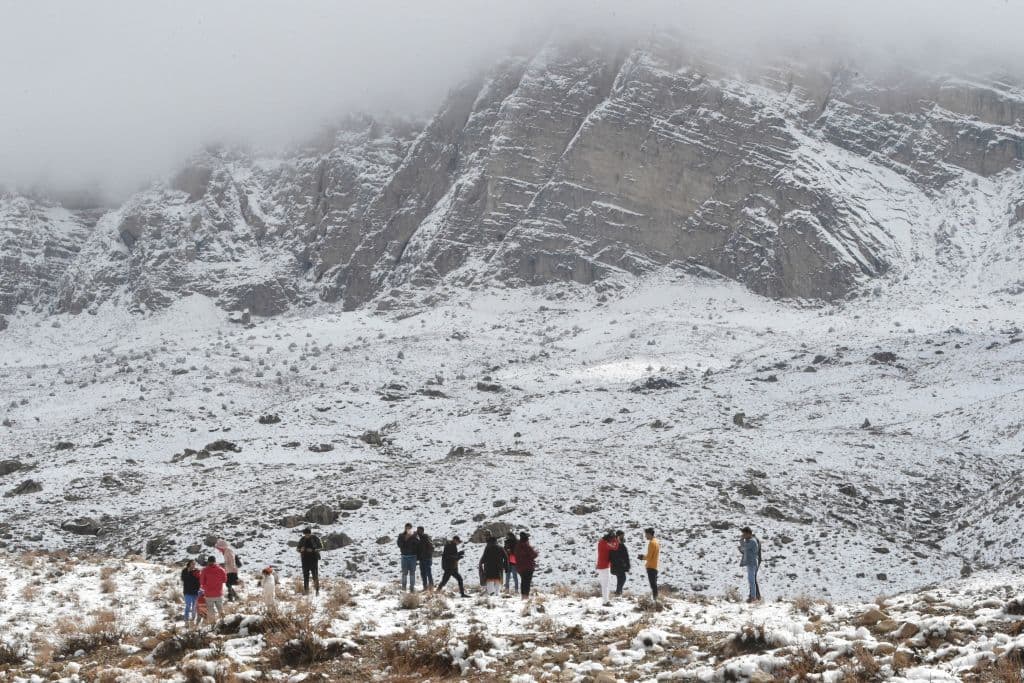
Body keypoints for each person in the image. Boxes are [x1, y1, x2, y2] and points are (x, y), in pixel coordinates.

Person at [199, 555, 227, 622]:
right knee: (220, 608)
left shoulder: (204, 570)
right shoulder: (221, 570)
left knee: (211, 610)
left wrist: (205, 586)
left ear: (208, 562)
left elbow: (201, 582)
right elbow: (224, 580)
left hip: (208, 594)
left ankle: (213, 624)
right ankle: (223, 622)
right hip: (218, 593)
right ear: (215, 561)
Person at [297, 527, 323, 596]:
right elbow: (297, 549)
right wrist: (301, 550)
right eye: (305, 535)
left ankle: (317, 591)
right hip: (304, 560)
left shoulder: (315, 538)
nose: (306, 536)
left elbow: (321, 547)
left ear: (310, 533)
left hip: (314, 560)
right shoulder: (302, 539)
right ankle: (306, 591)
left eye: (308, 534)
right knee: (305, 576)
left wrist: (313, 550)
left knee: (315, 576)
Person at [596, 531, 619, 605]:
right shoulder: (605, 544)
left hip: (601, 566)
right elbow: (615, 547)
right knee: (606, 584)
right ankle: (606, 602)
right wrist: (616, 540)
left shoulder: (601, 542)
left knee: (604, 584)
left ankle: (605, 600)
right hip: (604, 567)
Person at [739, 526, 762, 603]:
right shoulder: (750, 541)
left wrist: (741, 540)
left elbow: (744, 547)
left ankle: (753, 597)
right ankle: (753, 597)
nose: (743, 536)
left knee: (752, 581)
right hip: (750, 563)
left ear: (749, 533)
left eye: (744, 534)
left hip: (752, 563)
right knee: (751, 581)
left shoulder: (752, 541)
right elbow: (744, 549)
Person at [397, 523, 421, 592]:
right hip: (404, 557)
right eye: (407, 528)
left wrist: (414, 537)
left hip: (413, 557)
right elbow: (399, 545)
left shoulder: (414, 536)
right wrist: (406, 539)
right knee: (404, 573)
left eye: (409, 528)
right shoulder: (401, 536)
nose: (408, 529)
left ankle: (412, 588)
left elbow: (418, 545)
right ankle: (404, 587)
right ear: (405, 528)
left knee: (412, 573)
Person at [514, 532, 538, 599]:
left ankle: (523, 596)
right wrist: (536, 552)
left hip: (520, 567)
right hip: (528, 567)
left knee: (523, 582)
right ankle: (526, 596)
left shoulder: (517, 547)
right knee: (527, 582)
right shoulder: (527, 546)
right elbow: (533, 554)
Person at [638, 527, 660, 601]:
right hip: (655, 566)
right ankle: (656, 599)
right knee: (654, 585)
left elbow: (649, 557)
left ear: (649, 534)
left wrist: (642, 557)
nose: (645, 536)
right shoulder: (656, 541)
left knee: (653, 585)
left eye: (646, 534)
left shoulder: (651, 543)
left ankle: (655, 600)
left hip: (651, 566)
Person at [610, 530, 630, 596]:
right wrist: (622, 562)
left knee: (621, 578)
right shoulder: (615, 543)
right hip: (617, 565)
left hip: (620, 565)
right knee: (622, 578)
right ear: (619, 535)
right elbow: (614, 554)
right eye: (622, 535)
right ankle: (618, 592)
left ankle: (618, 592)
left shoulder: (619, 543)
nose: (623, 537)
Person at [417, 526, 435, 590]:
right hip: (422, 559)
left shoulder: (425, 537)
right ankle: (425, 587)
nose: (417, 532)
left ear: (422, 531)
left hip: (427, 559)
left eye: (419, 530)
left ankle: (431, 587)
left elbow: (431, 548)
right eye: (417, 530)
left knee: (428, 573)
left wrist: (427, 554)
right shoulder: (420, 539)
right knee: (423, 574)